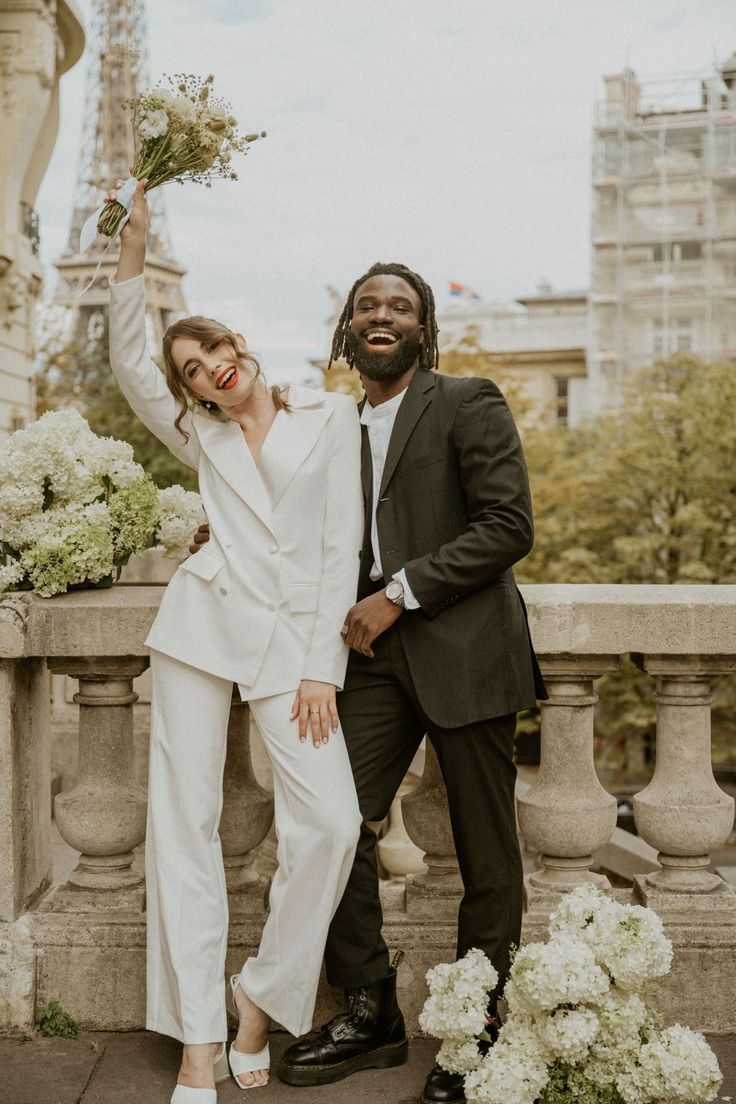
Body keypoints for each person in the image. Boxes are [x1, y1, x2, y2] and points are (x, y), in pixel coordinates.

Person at [107, 179, 363, 1104]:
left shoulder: (329, 421)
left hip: (291, 649)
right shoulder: (195, 435)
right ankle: (197, 1048)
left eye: (212, 347)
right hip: (199, 630)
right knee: (184, 831)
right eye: (190, 365)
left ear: (241, 348)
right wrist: (132, 249)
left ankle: (257, 997)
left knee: (330, 828)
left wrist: (317, 667)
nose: (206, 366)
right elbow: (130, 359)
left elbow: (341, 553)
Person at [272, 263, 548, 1104]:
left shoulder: (468, 402)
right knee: (329, 821)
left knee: (486, 856)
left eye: (399, 306)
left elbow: (509, 526)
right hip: (372, 669)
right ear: (347, 329)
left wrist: (397, 594)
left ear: (425, 330)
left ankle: (477, 1033)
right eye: (366, 306)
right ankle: (370, 1009)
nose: (381, 316)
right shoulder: (333, 428)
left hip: (465, 652)